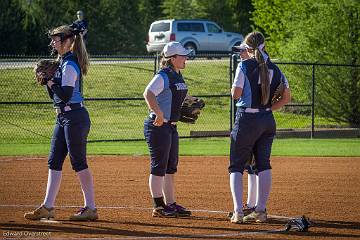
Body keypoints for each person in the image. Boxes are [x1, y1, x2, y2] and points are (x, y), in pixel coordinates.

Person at [24, 24, 98, 221]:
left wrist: (49, 81)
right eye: (53, 40)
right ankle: (48, 206)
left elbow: (65, 95)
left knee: (78, 162)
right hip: (63, 117)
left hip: (75, 118)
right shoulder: (61, 62)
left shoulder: (70, 64)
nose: (53, 43)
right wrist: (48, 80)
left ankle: (90, 207)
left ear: (67, 42)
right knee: (54, 161)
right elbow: (55, 96)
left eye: (56, 40)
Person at [229, 31, 291, 224]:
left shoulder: (244, 66)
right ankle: (261, 211)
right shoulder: (275, 68)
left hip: (247, 119)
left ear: (247, 48)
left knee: (236, 166)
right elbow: (287, 97)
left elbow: (236, 94)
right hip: (267, 120)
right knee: (263, 165)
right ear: (264, 46)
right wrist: (268, 108)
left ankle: (238, 212)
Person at [143, 41, 192, 218]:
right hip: (158, 126)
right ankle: (159, 206)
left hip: (171, 127)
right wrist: (158, 113)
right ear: (173, 58)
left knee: (170, 167)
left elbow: (176, 96)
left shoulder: (177, 75)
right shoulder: (164, 75)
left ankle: (171, 203)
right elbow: (148, 93)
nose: (186, 58)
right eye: (183, 55)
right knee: (159, 166)